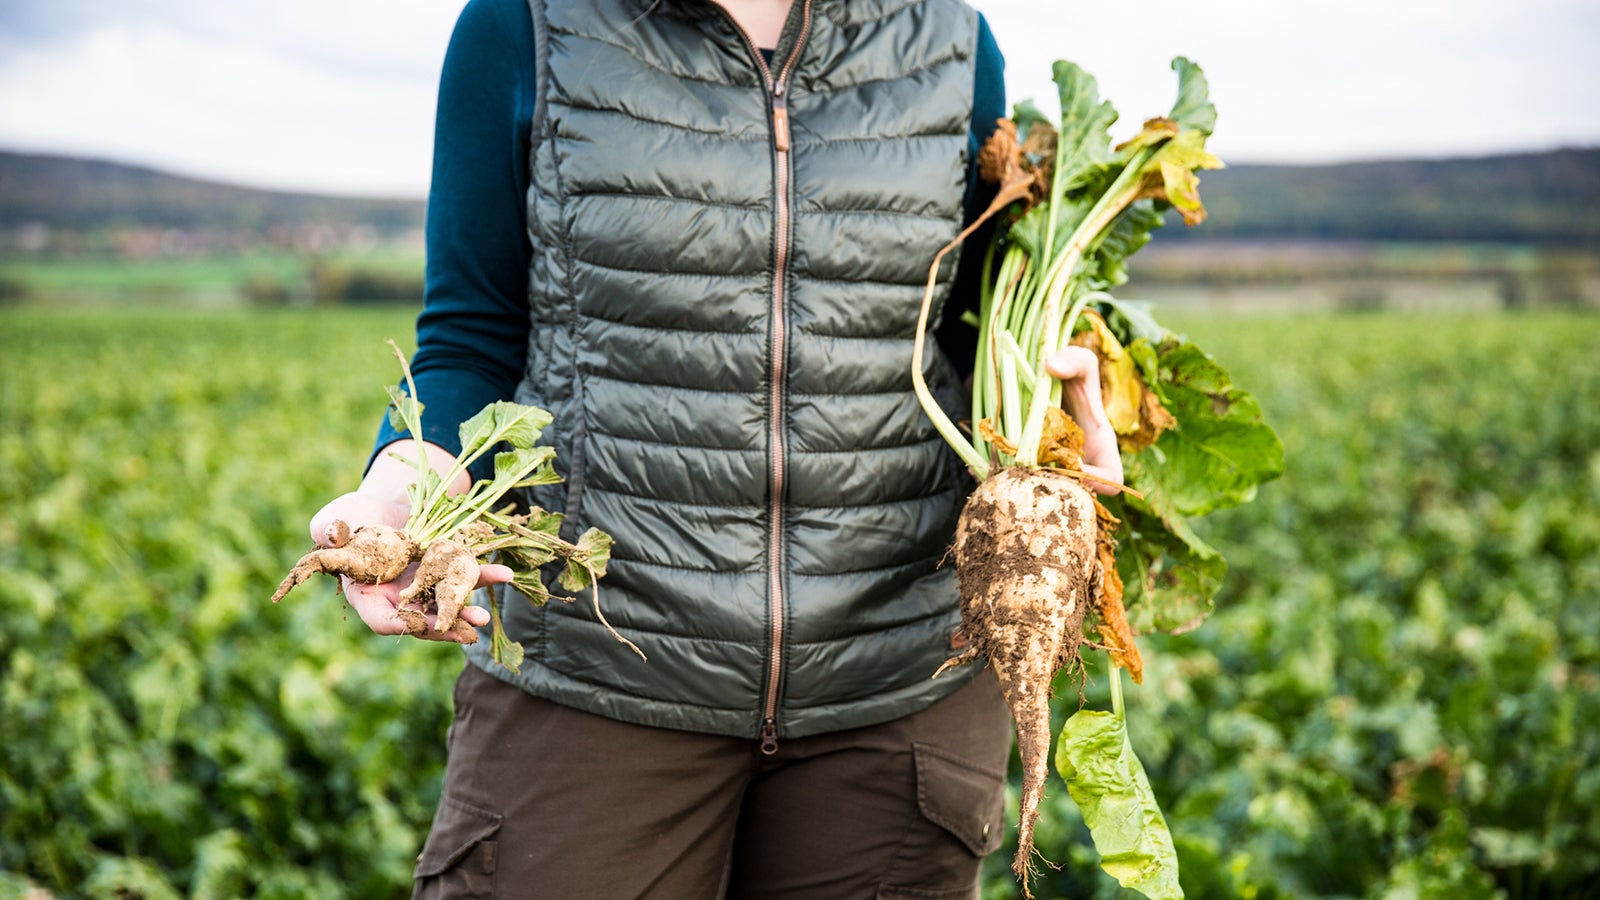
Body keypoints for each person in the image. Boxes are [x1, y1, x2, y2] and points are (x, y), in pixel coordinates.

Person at [306, 0, 1122, 896]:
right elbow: (471, 335)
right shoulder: (524, 22)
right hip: (598, 671)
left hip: (899, 684)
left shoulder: (950, 40)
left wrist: (1059, 435)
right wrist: (400, 494)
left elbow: (972, 331)